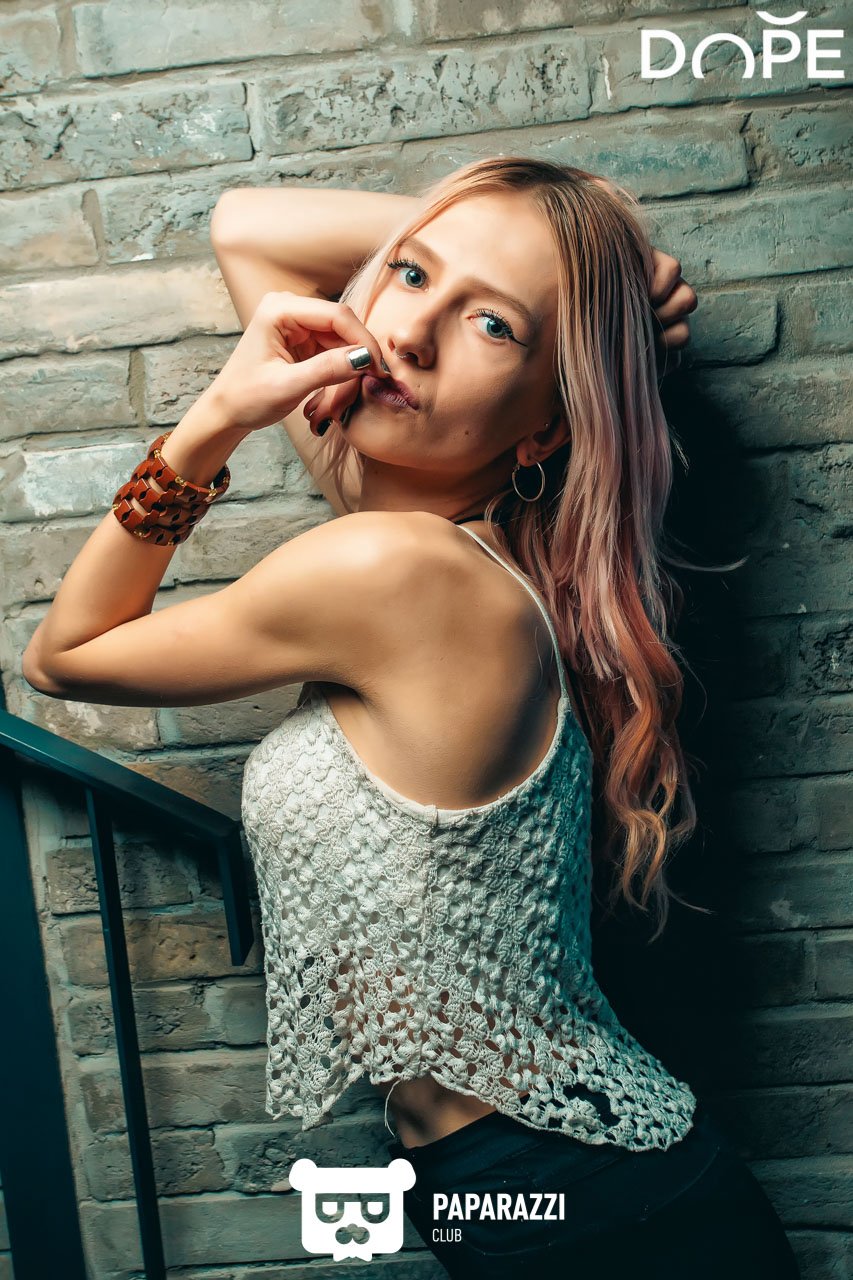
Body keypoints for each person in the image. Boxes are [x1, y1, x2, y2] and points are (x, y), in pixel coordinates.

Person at [21, 157, 799, 1277]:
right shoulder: (425, 528)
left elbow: (65, 655)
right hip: (528, 1177)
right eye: (412, 276)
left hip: (587, 1199)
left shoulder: (393, 569)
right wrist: (566, 269)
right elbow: (248, 226)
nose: (412, 335)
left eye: (491, 326)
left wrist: (219, 415)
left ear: (542, 432)